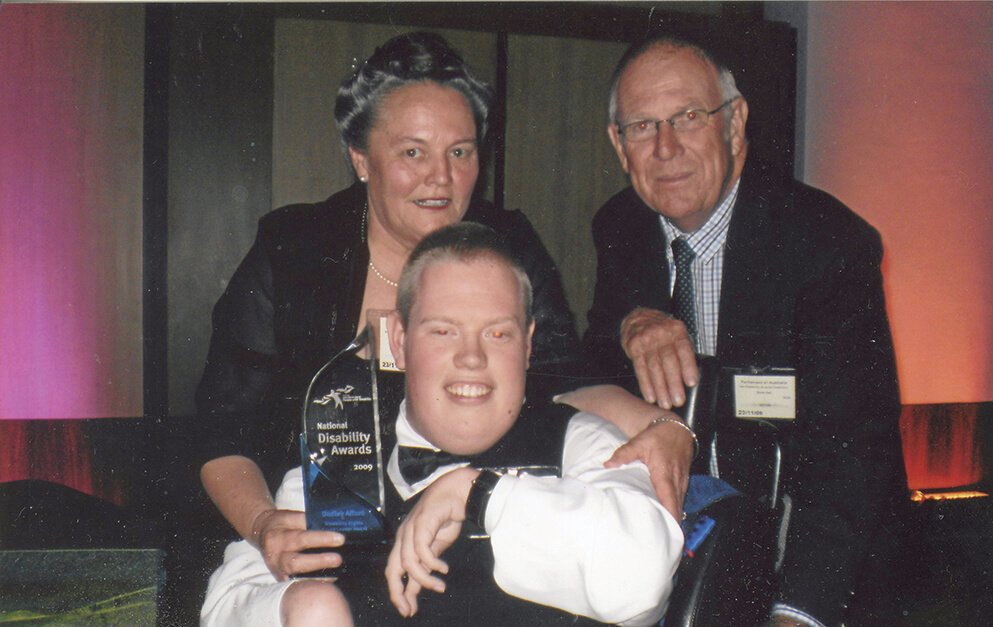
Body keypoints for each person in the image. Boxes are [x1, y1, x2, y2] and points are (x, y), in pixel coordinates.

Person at [190, 30, 579, 621]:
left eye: (460, 151)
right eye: (412, 152)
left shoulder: (508, 248)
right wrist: (266, 524)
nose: (441, 179)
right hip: (308, 549)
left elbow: (565, 386)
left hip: (463, 547)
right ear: (359, 158)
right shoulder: (294, 249)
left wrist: (663, 427)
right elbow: (221, 432)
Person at [202, 222, 682, 626]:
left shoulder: (580, 440)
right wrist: (304, 608)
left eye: (497, 333)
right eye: (443, 330)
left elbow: (642, 586)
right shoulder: (343, 450)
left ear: (529, 343)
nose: (471, 358)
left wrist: (479, 494)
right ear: (400, 338)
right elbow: (226, 602)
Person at [581, 35, 906, 626]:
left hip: (806, 560)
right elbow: (597, 364)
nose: (666, 147)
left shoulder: (827, 245)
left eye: (688, 117)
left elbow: (853, 456)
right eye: (643, 126)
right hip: (677, 554)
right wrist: (633, 319)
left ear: (734, 125)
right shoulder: (620, 226)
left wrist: (796, 613)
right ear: (618, 145)